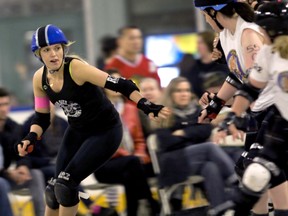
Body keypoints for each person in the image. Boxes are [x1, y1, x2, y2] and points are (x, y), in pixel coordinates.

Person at [17, 24, 169, 216]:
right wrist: (31, 137)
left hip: (105, 131)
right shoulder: (39, 78)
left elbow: (122, 85)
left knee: (65, 185)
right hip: (78, 131)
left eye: (57, 48)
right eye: (47, 50)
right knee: (54, 190)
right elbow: (42, 116)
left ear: (64, 48)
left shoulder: (76, 68)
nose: (54, 54)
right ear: (39, 54)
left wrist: (146, 105)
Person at [214, 2, 288, 215]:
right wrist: (234, 118)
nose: (260, 31)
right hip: (280, 120)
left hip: (277, 115)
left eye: (263, 27)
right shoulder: (268, 54)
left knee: (260, 169)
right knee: (255, 170)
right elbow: (250, 89)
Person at [153, 77, 237, 213]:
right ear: (171, 93)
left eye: (186, 90)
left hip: (196, 160)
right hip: (174, 162)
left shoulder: (196, 110)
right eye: (179, 91)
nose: (184, 94)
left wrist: (183, 133)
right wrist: (193, 132)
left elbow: (205, 129)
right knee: (209, 148)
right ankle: (235, 180)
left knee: (210, 167)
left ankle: (220, 208)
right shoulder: (162, 113)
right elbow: (166, 141)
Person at [93, 69, 160, 216]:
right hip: (105, 164)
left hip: (130, 163)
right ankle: (150, 201)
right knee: (132, 165)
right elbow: (105, 143)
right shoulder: (98, 110)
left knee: (131, 176)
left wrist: (140, 153)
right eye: (112, 82)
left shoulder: (131, 109)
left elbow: (139, 139)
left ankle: (134, 212)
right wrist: (130, 155)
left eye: (119, 82)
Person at [0, 87, 46, 216]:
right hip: (3, 177)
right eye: (0, 105)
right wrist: (8, 173)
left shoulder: (14, 127)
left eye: (6, 104)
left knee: (35, 174)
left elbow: (22, 152)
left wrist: (23, 166)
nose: (4, 109)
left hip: (7, 174)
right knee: (2, 184)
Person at [181, 31, 230, 98]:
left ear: (208, 43)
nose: (197, 46)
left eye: (200, 43)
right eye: (197, 43)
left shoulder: (223, 65)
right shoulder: (193, 67)